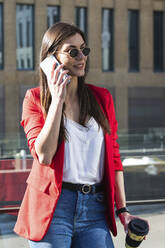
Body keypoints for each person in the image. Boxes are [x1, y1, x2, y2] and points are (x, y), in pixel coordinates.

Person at [14, 22, 138, 248]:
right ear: (52, 58)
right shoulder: (34, 100)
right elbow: (44, 155)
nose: (82, 56)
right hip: (53, 209)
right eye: (72, 51)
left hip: (95, 208)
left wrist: (123, 211)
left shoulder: (102, 98)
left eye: (84, 50)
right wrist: (57, 99)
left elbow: (114, 158)